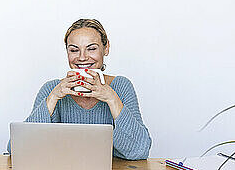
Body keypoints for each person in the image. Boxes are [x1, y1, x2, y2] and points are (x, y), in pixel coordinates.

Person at [10, 18, 152, 160]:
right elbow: (16, 149)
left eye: (91, 48)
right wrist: (52, 98)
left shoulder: (121, 86)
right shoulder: (51, 89)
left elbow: (139, 151)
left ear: (106, 48)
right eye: (74, 50)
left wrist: (112, 99)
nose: (82, 57)